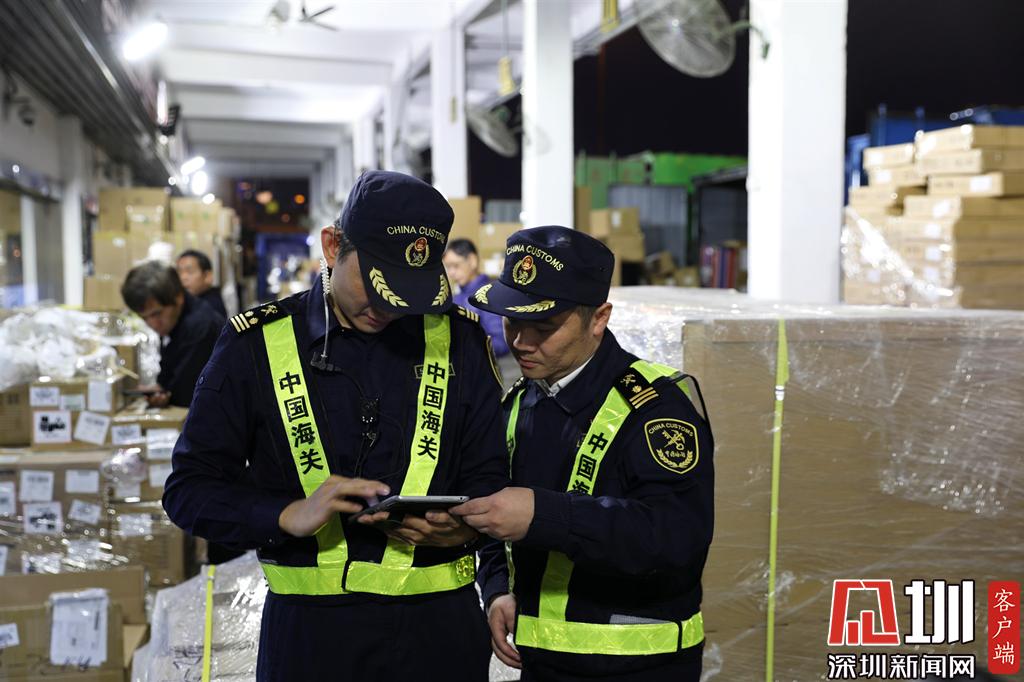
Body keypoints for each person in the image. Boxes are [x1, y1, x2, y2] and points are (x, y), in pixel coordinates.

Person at [162, 170, 509, 682]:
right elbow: (189, 491)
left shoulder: (460, 342)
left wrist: (467, 530)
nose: (388, 308)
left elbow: (491, 478)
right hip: (311, 643)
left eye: (407, 292)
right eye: (377, 284)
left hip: (440, 638)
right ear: (332, 246)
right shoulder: (254, 345)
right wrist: (285, 515)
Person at [452, 226, 714, 681]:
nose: (521, 342)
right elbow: (496, 513)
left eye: (544, 328)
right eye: (512, 322)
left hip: (639, 669)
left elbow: (676, 538)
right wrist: (497, 589)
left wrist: (545, 515)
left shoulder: (656, 410)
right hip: (542, 663)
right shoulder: (521, 402)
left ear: (598, 318)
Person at [121, 261, 224, 408]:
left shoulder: (200, 326)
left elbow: (185, 395)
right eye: (144, 318)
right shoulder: (174, 320)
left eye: (157, 314)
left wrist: (166, 394)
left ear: (178, 297)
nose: (153, 324)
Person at [443, 238, 509, 357]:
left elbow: (500, 342)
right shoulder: (456, 297)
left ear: (472, 261)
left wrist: (464, 347)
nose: (451, 272)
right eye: (448, 267)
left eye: (455, 265)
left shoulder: (488, 295)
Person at [176, 249, 228, 318]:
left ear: (207, 276)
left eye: (190, 271)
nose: (182, 277)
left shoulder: (211, 307)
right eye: (179, 272)